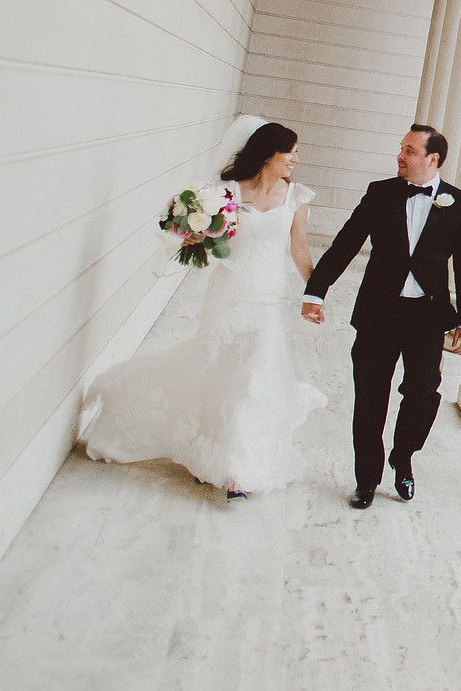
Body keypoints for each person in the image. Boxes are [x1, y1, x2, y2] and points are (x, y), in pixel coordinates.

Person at [82, 116, 326, 500]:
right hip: (228, 292)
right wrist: (196, 235)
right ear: (268, 155)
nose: (296, 159)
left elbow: (298, 249)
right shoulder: (227, 194)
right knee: (220, 369)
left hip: (268, 297)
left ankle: (238, 470)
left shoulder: (297, 198)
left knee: (253, 377)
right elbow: (208, 243)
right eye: (290, 152)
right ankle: (206, 448)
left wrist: (316, 293)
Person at [302, 125, 461, 509]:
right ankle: (366, 480)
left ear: (432, 159)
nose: (400, 156)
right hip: (379, 314)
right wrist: (316, 289)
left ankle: (403, 458)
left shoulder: (459, 203)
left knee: (422, 395)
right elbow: (346, 243)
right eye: (401, 148)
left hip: (427, 318)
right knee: (370, 399)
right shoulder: (380, 193)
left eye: (410, 150)